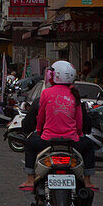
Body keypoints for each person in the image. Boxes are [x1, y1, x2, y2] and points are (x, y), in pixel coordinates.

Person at [19, 60, 96, 191]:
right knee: (89, 146)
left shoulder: (46, 93)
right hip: (72, 141)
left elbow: (41, 117)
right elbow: (79, 121)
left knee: (30, 144)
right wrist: (78, 134)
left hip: (47, 140)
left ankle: (30, 179)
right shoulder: (74, 94)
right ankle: (88, 181)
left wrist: (39, 131)